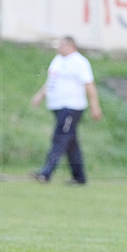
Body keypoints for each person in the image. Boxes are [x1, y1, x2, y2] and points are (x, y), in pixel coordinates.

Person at [30, 36, 103, 185]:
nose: (59, 47)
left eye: (62, 45)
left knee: (60, 138)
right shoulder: (57, 60)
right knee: (71, 143)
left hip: (71, 107)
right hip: (57, 106)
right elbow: (51, 81)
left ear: (71, 46)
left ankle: (46, 173)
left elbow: (89, 85)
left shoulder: (79, 62)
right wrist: (40, 96)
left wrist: (95, 106)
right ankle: (79, 178)